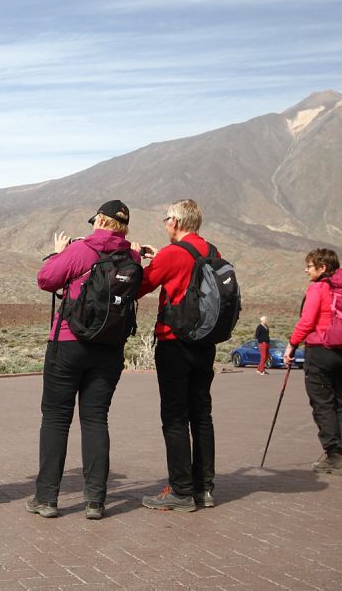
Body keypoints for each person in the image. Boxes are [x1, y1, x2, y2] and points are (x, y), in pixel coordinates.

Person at [26, 200, 141, 520]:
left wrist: (59, 253)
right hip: (109, 349)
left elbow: (46, 279)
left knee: (56, 420)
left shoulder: (81, 251)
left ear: (101, 221)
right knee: (95, 420)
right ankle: (95, 501)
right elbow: (137, 290)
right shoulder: (131, 257)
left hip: (68, 343)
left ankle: (47, 498)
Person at [135, 199, 217, 512]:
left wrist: (145, 262)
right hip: (205, 343)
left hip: (175, 343)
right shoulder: (211, 251)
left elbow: (141, 286)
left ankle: (181, 491)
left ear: (177, 223)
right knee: (202, 414)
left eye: (167, 218)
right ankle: (204, 488)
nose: (165, 222)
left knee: (174, 416)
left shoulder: (172, 254)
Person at [283, 249, 342, 477]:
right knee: (337, 405)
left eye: (309, 266)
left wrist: (291, 345)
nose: (306, 270)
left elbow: (308, 321)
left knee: (323, 406)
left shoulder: (319, 288)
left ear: (322, 267)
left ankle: (334, 458)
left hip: (320, 353)